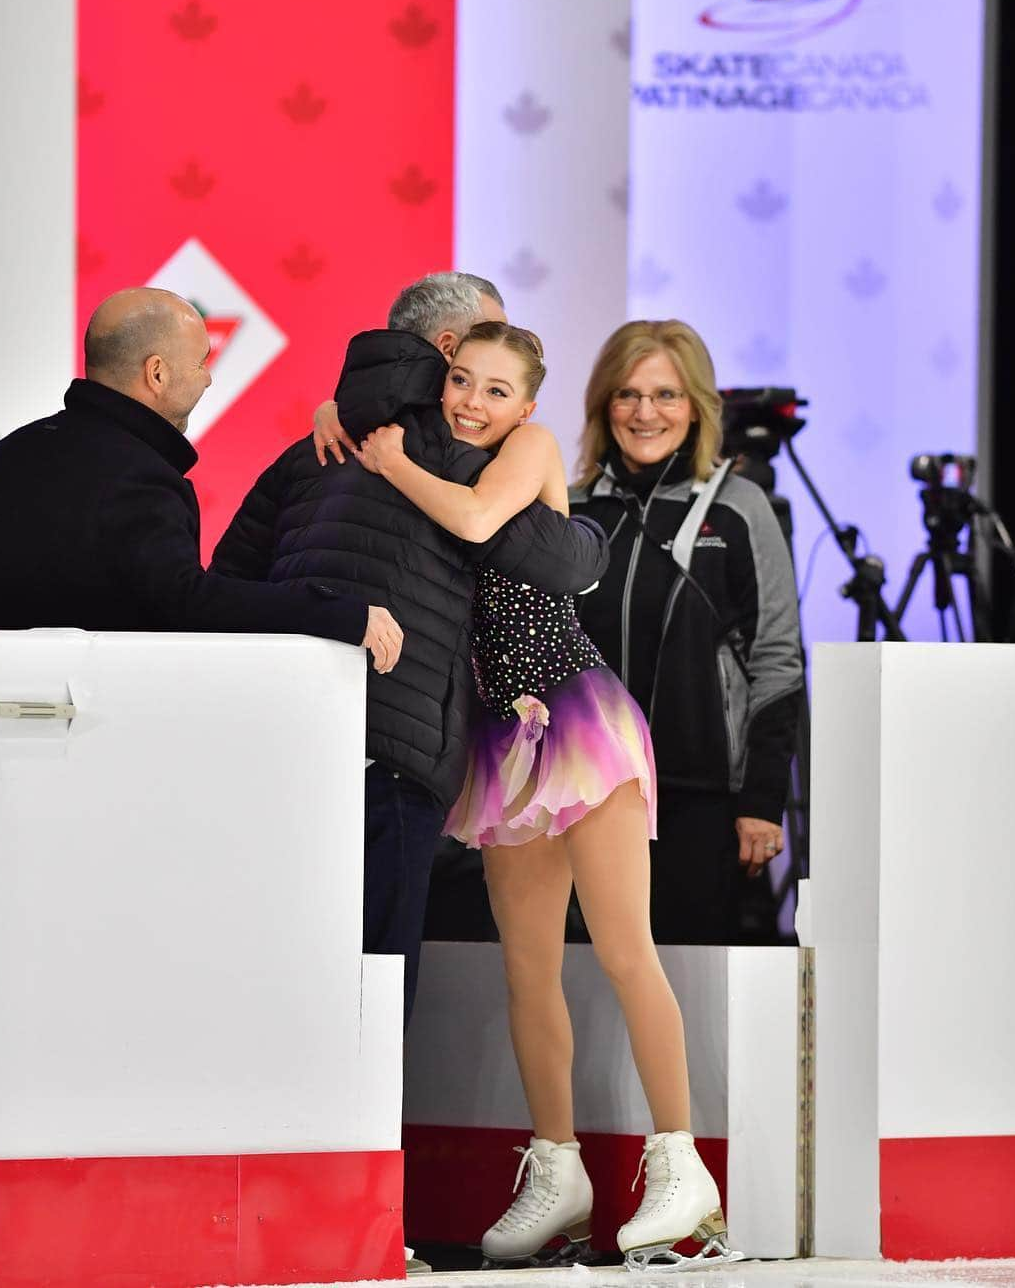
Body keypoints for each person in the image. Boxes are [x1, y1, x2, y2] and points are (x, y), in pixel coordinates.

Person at [355, 320, 737, 1271]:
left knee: (621, 947)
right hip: (498, 736)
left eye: (495, 390)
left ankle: (682, 1166)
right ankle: (559, 1170)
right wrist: (344, 414)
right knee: (527, 968)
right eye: (460, 381)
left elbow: (480, 523)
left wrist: (389, 458)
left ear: (528, 407)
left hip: (573, 713)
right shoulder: (439, 448)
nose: (472, 403)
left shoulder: (520, 453)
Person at [209, 273, 608, 1029]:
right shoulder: (455, 456)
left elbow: (226, 584)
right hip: (395, 746)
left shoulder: (311, 449)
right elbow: (565, 565)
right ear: (449, 351)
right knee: (373, 985)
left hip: (279, 736)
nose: (481, 397)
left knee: (274, 967)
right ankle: (361, 1151)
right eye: (480, 362)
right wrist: (592, 537)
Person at [0, 288, 401, 671]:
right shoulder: (140, 477)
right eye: (201, 362)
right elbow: (187, 604)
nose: (208, 379)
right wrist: (334, 613)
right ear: (157, 373)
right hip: (83, 739)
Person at [569, 319, 803, 945]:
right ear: (604, 406)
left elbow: (778, 662)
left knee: (685, 994)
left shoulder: (741, 507)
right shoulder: (571, 509)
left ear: (697, 407)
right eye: (628, 394)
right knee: (585, 991)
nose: (646, 413)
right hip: (583, 796)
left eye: (667, 395)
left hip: (701, 803)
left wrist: (761, 800)